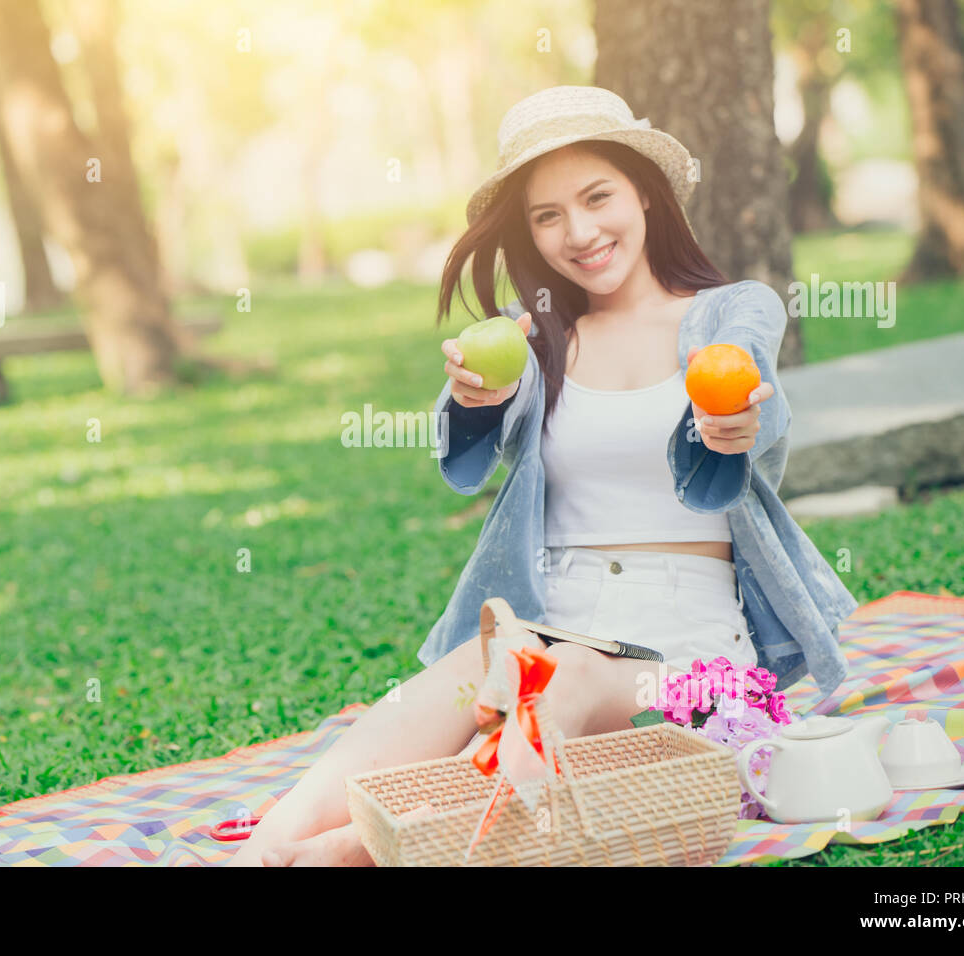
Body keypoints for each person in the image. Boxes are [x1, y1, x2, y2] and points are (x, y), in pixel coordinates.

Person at [227, 85, 856, 867]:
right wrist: (476, 398)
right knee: (465, 676)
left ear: (647, 197)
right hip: (542, 640)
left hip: (683, 672)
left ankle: (366, 847)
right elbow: (471, 424)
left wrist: (733, 425)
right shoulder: (538, 341)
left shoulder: (727, 313)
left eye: (598, 198)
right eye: (547, 215)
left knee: (563, 677)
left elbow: (753, 387)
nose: (580, 233)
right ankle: (266, 849)